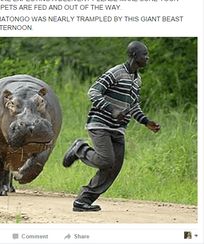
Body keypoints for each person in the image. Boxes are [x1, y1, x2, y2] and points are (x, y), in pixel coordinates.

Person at [63, 41, 160, 212]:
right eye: (144, 54)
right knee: (106, 160)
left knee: (114, 167)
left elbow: (133, 105)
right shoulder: (116, 73)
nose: (147, 57)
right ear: (133, 56)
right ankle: (80, 148)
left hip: (118, 128)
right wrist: (112, 109)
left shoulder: (137, 79)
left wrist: (145, 121)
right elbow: (93, 91)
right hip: (100, 124)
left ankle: (83, 201)